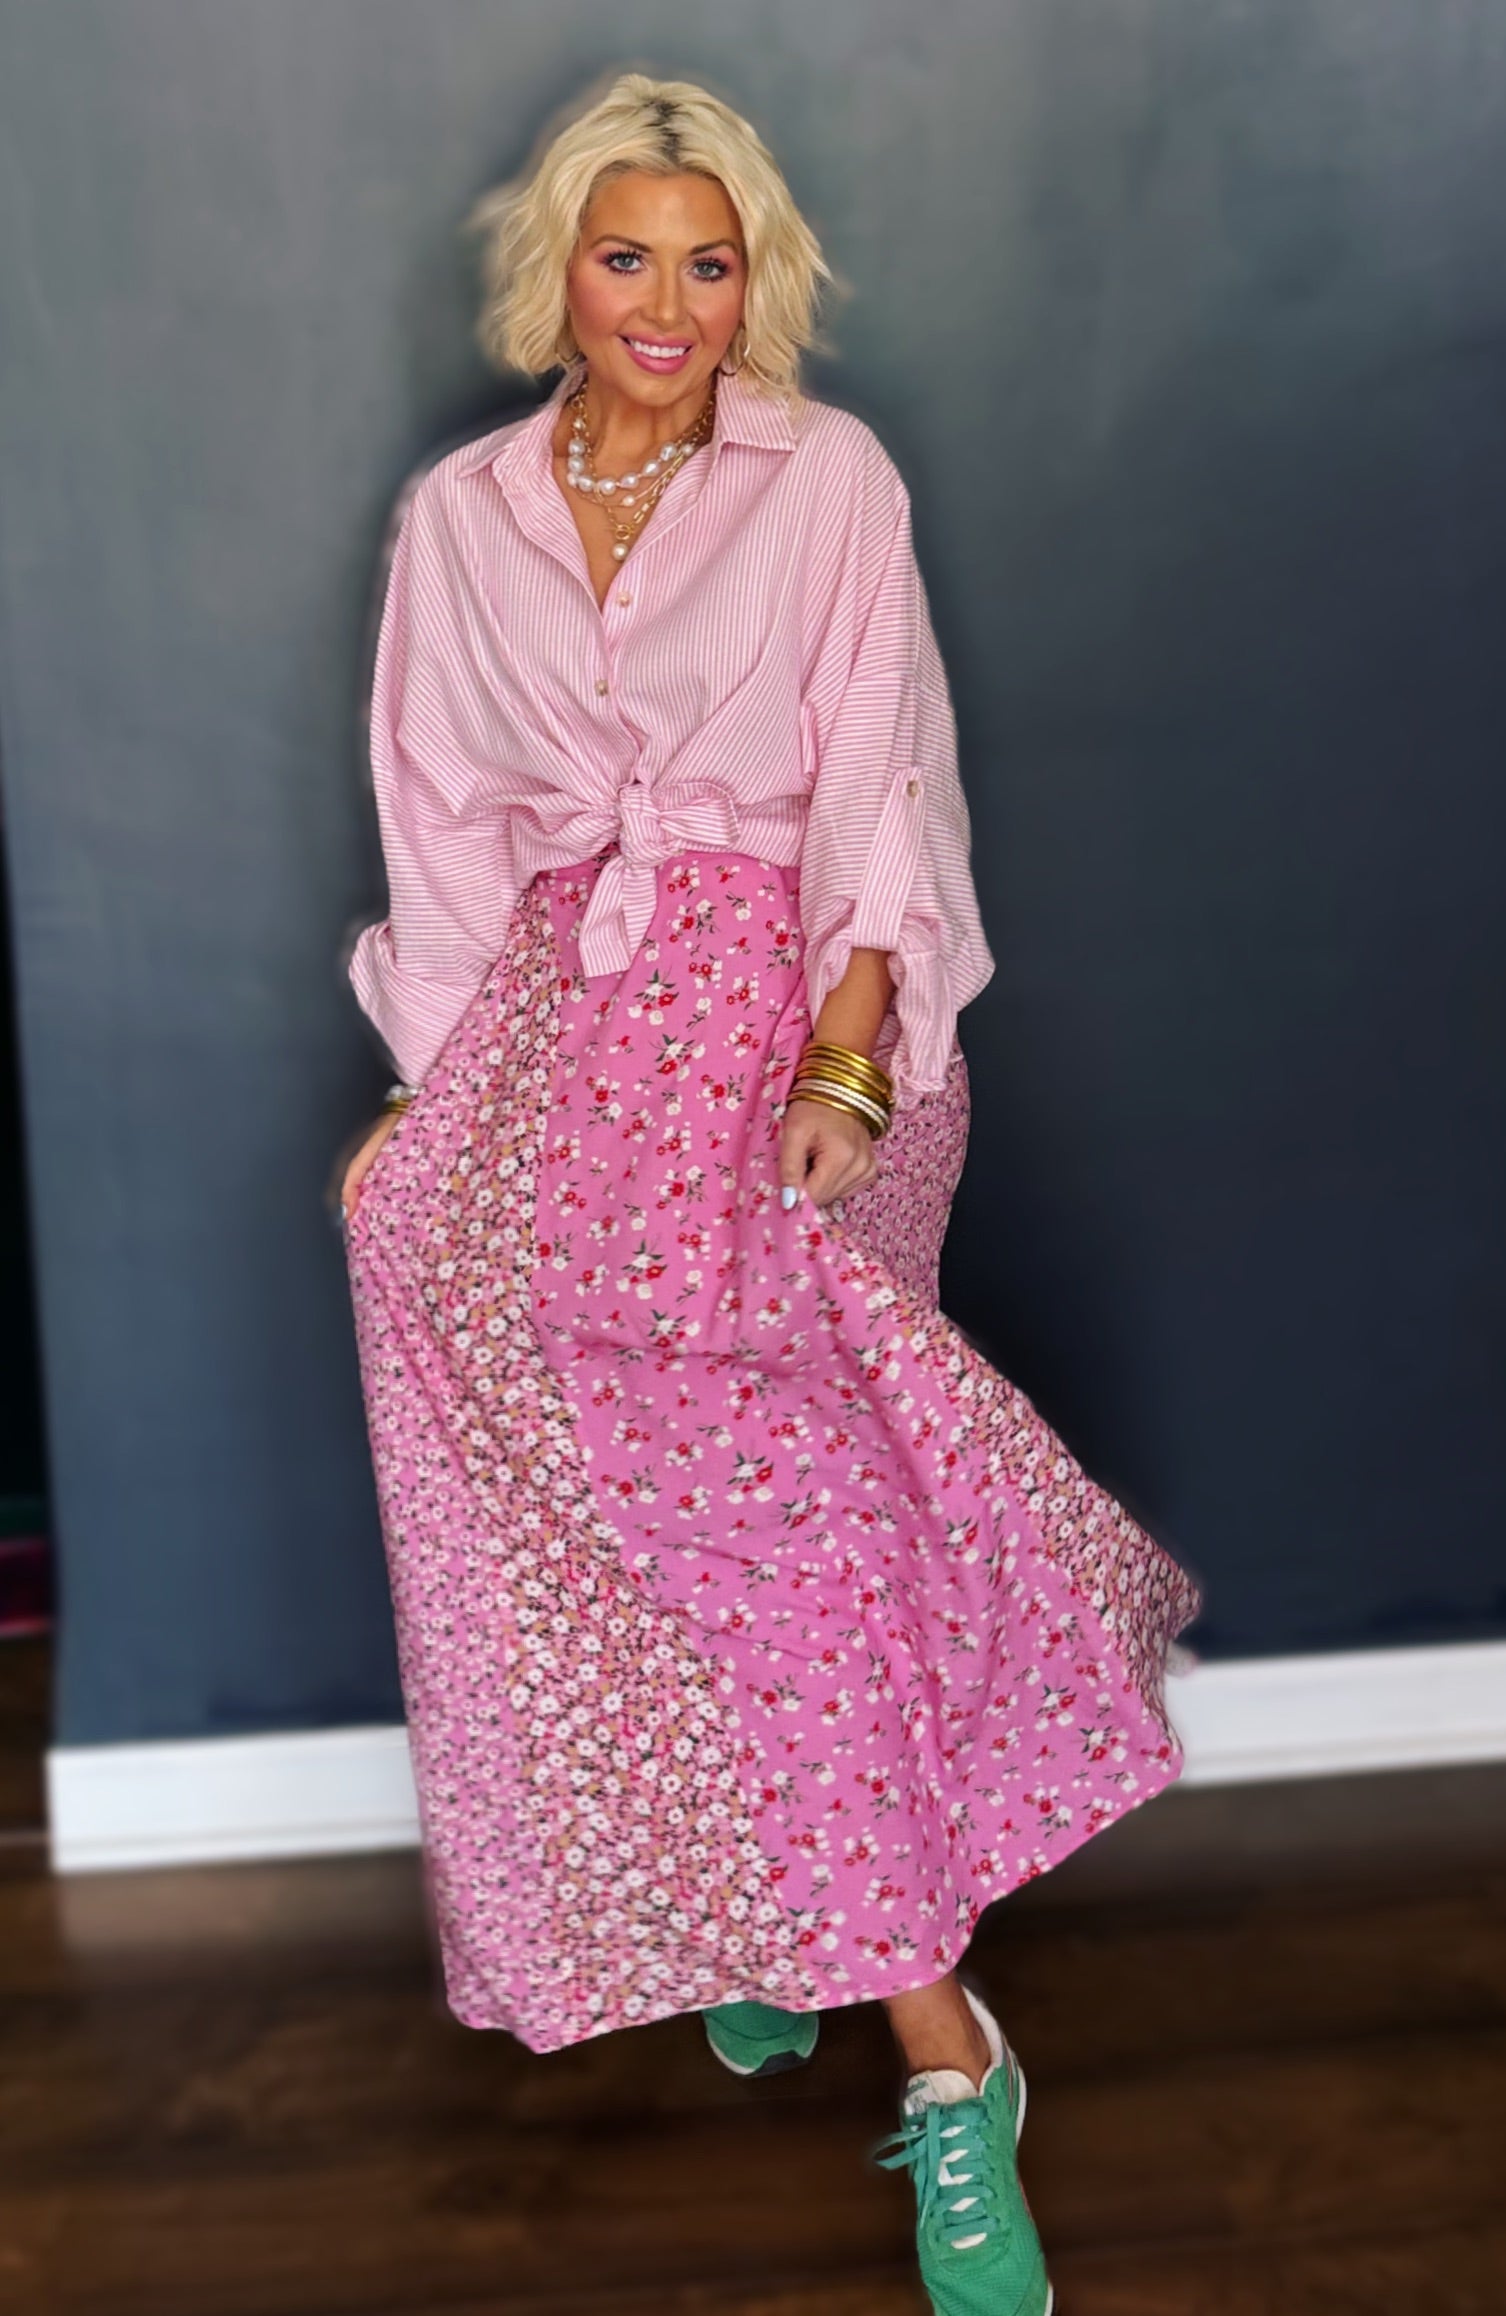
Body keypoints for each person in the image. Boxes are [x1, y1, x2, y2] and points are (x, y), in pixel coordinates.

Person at [336, 68, 1202, 2316]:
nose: (668, 302)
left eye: (708, 262)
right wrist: (437, 1102)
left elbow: (884, 783)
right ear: (561, 269)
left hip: (793, 1011)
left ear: (754, 281)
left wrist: (842, 1058)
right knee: (588, 1469)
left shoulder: (824, 480)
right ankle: (759, 1896)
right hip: (559, 1026)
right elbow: (442, 850)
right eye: (627, 255)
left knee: (790, 1510)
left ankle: (939, 2053)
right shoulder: (458, 519)